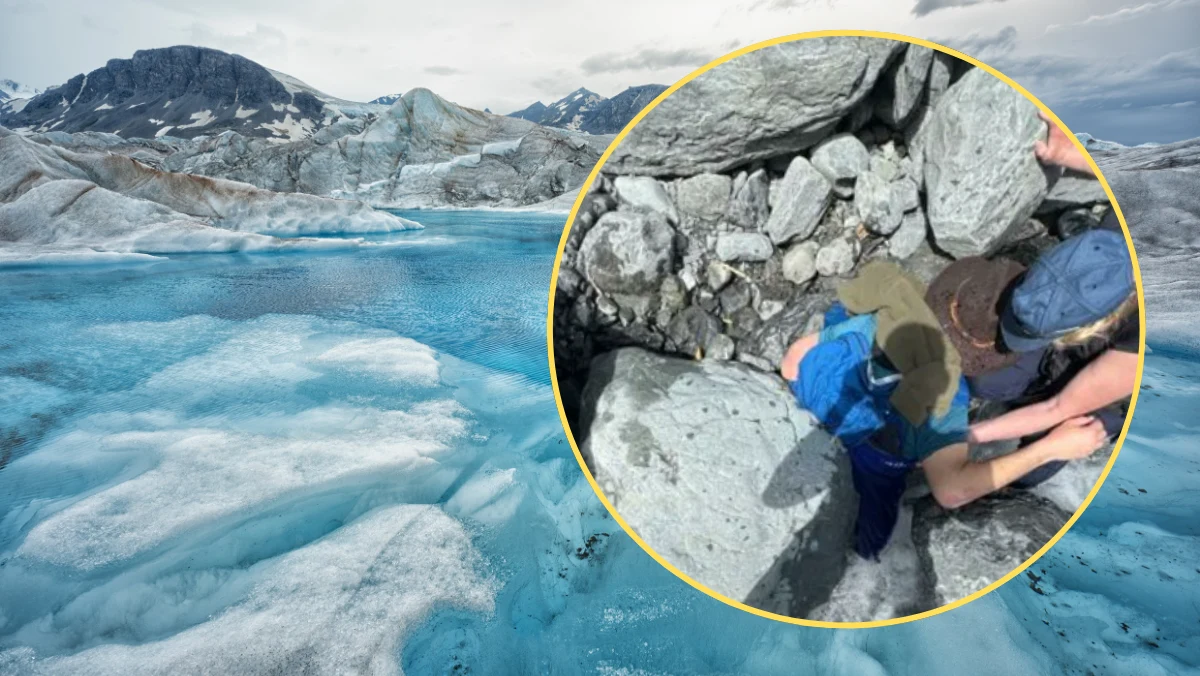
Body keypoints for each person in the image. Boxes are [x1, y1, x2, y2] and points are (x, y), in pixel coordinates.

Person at [779, 262, 1097, 560]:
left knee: (840, 321)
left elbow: (793, 360)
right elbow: (951, 491)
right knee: (876, 518)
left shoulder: (892, 309)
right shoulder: (947, 393)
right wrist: (1050, 447)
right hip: (873, 454)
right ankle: (865, 552)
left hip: (824, 392)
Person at [922, 111, 1139, 491]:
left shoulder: (1142, 346)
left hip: (1121, 374)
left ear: (1084, 329)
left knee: (1080, 432)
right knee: (994, 380)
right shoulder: (1140, 216)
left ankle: (1035, 470)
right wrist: (1071, 154)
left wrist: (968, 435)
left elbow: (1058, 408)